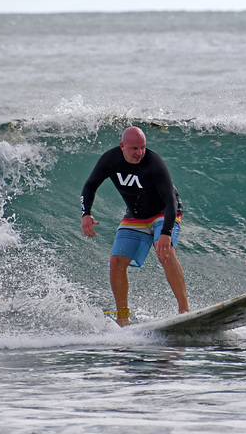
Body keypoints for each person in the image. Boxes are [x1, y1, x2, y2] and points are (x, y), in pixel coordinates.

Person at [81, 126, 189, 326]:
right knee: (116, 262)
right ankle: (123, 319)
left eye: (143, 148)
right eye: (134, 149)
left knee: (165, 253)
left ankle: (184, 310)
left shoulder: (154, 163)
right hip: (136, 216)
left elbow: (171, 201)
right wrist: (86, 214)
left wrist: (165, 233)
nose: (140, 153)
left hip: (163, 212)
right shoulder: (110, 160)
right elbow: (89, 186)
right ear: (122, 146)